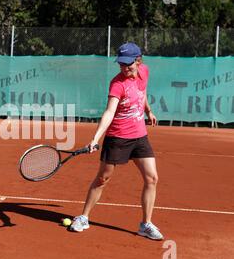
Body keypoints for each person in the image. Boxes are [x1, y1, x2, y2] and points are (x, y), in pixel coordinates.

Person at [69, 42, 163, 240]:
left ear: (138, 62)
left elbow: (143, 91)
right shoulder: (117, 84)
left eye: (128, 64)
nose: (124, 68)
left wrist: (148, 110)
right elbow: (110, 112)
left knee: (152, 178)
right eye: (121, 64)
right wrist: (95, 138)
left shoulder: (144, 71)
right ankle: (84, 218)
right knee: (103, 179)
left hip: (139, 136)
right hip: (117, 137)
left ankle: (146, 224)